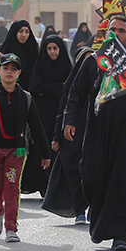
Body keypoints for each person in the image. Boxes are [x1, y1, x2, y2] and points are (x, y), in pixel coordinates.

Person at [63, 15, 126, 251]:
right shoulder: (94, 62)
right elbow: (76, 93)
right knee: (91, 175)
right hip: (97, 129)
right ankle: (99, 219)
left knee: (125, 180)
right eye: (113, 30)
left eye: (122, 30)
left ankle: (121, 235)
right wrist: (69, 121)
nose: (117, 34)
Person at [0, 53, 51, 243]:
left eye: (14, 69)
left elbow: (37, 127)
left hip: (16, 151)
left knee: (12, 187)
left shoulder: (25, 98)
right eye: (5, 68)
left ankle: (11, 228)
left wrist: (45, 153)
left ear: (19, 73)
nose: (9, 72)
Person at [42, 46, 94, 224]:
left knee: (92, 172)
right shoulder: (72, 86)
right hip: (72, 136)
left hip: (94, 134)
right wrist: (57, 137)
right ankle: (79, 209)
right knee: (73, 171)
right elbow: (63, 110)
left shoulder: (101, 85)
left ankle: (92, 206)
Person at [28, 34, 73, 192]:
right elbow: (35, 88)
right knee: (43, 144)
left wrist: (48, 89)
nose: (52, 52)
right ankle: (43, 184)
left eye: (55, 48)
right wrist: (58, 86)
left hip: (61, 111)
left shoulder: (66, 66)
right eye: (49, 49)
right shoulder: (40, 66)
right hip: (44, 113)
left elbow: (69, 88)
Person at [0, 19, 39, 91]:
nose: (24, 35)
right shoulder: (6, 49)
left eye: (27, 32)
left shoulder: (33, 49)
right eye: (20, 31)